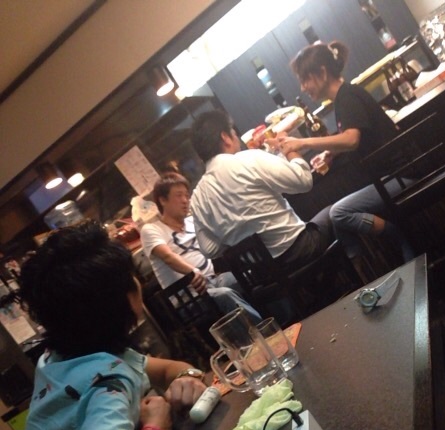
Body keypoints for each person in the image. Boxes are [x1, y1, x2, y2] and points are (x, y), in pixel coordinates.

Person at [18, 222, 207, 430]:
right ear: (126, 298)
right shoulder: (107, 382)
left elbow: (165, 369)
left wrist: (186, 376)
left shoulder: (59, 358)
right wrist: (157, 427)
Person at [278, 40, 414, 273]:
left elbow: (352, 139)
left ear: (322, 73)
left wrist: (302, 142)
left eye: (304, 79)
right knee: (339, 221)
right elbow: (357, 135)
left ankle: (398, 234)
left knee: (339, 213)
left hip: (400, 175)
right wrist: (330, 153)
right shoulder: (344, 97)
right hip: (389, 176)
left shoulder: (347, 97)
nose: (303, 88)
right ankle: (366, 278)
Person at [189, 109, 333, 273]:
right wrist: (288, 146)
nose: (236, 137)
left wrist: (235, 233)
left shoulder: (197, 198)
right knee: (337, 212)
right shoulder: (247, 159)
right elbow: (304, 180)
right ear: (225, 137)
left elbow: (209, 250)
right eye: (233, 132)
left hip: (264, 274)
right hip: (301, 251)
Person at [140, 171, 261, 323]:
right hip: (189, 297)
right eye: (179, 195)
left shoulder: (193, 221)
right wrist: (192, 271)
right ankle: (263, 332)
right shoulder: (151, 229)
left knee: (250, 275)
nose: (185, 200)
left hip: (215, 280)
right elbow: (167, 256)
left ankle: (279, 322)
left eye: (187, 195)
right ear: (163, 200)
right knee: (225, 295)